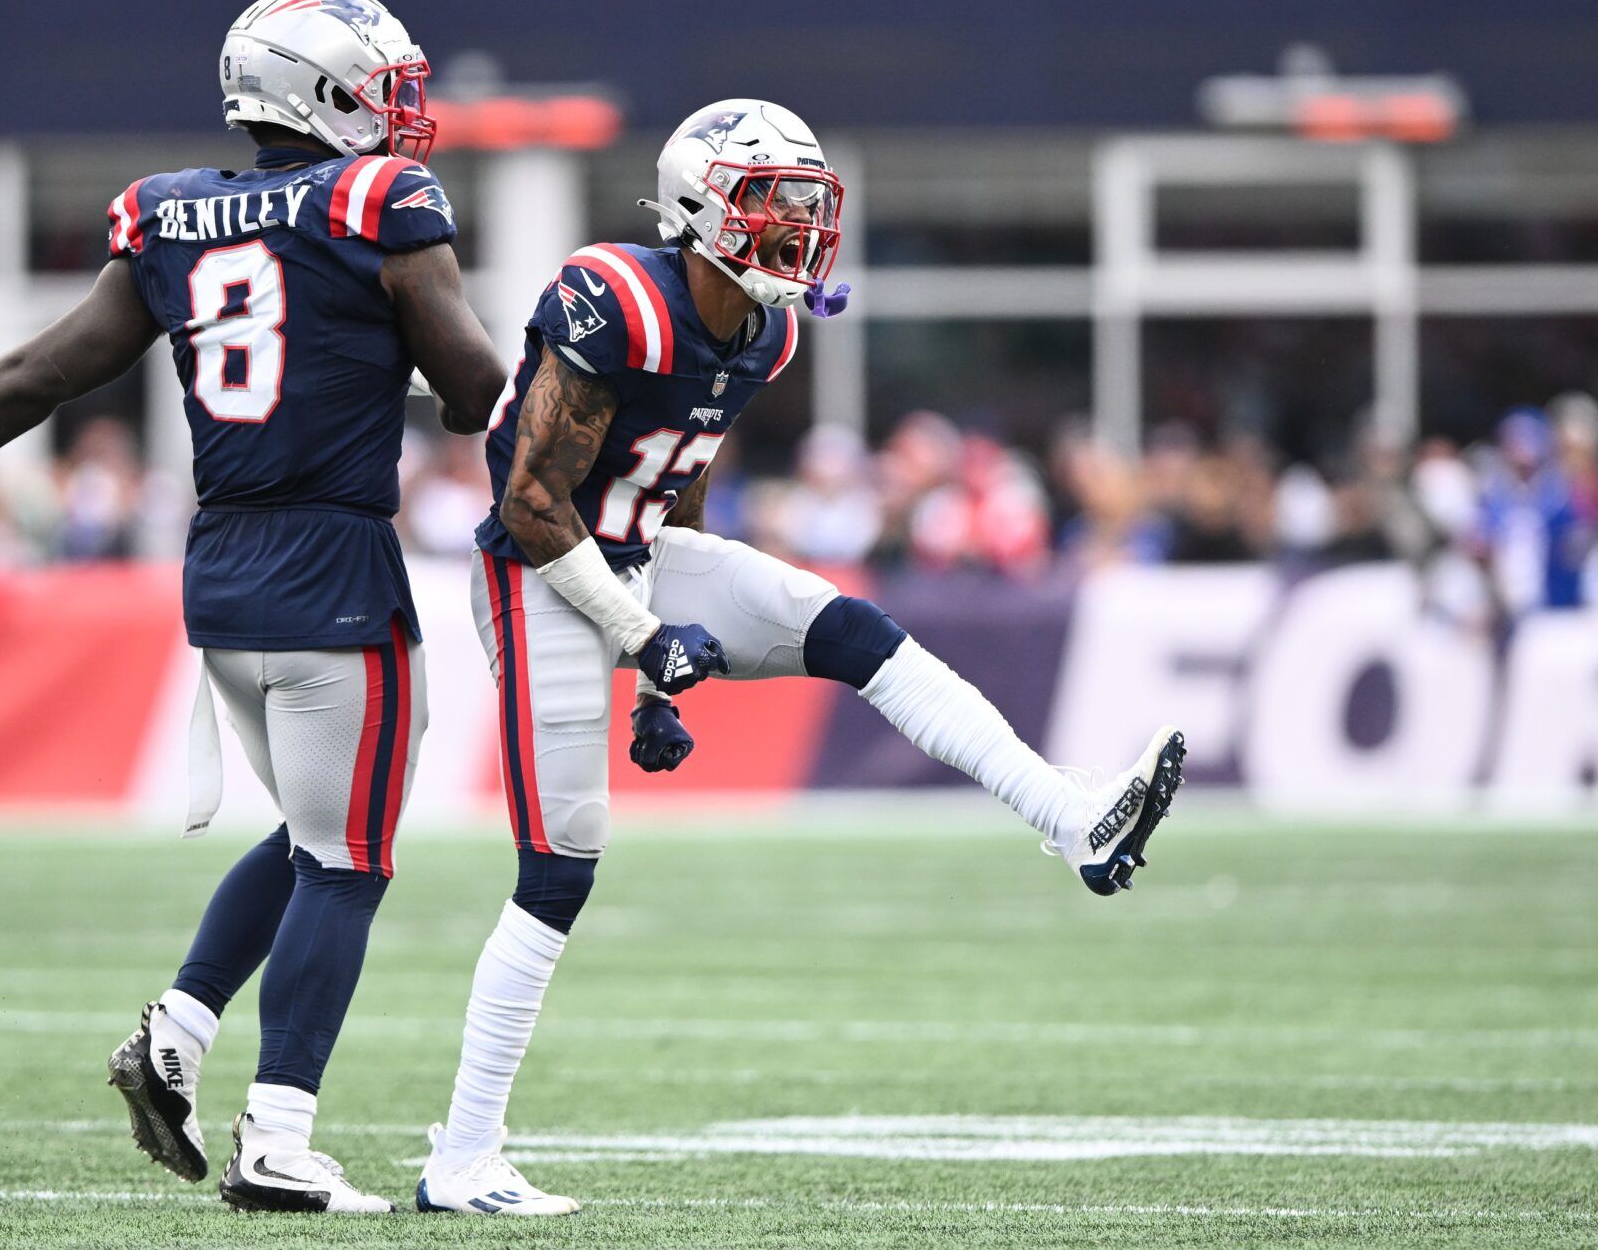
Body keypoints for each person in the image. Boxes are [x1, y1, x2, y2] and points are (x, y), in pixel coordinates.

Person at [412, 99, 1187, 1217]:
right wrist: (640, 638)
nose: (796, 224)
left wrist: (659, 645)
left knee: (852, 628)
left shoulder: (764, 327)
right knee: (559, 867)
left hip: (636, 549)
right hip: (533, 570)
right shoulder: (616, 296)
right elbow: (529, 497)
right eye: (770, 200)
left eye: (803, 202)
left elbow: (679, 474)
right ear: (699, 207)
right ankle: (462, 1157)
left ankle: (1071, 819)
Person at [0, 0, 504, 1215]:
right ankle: (279, 1133)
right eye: (382, 82)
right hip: (334, 561)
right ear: (316, 89)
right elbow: (472, 385)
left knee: (319, 837)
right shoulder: (380, 198)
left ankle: (178, 1031)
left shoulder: (170, 216)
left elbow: (47, 370)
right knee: (352, 858)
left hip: (223, 573)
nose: (403, 108)